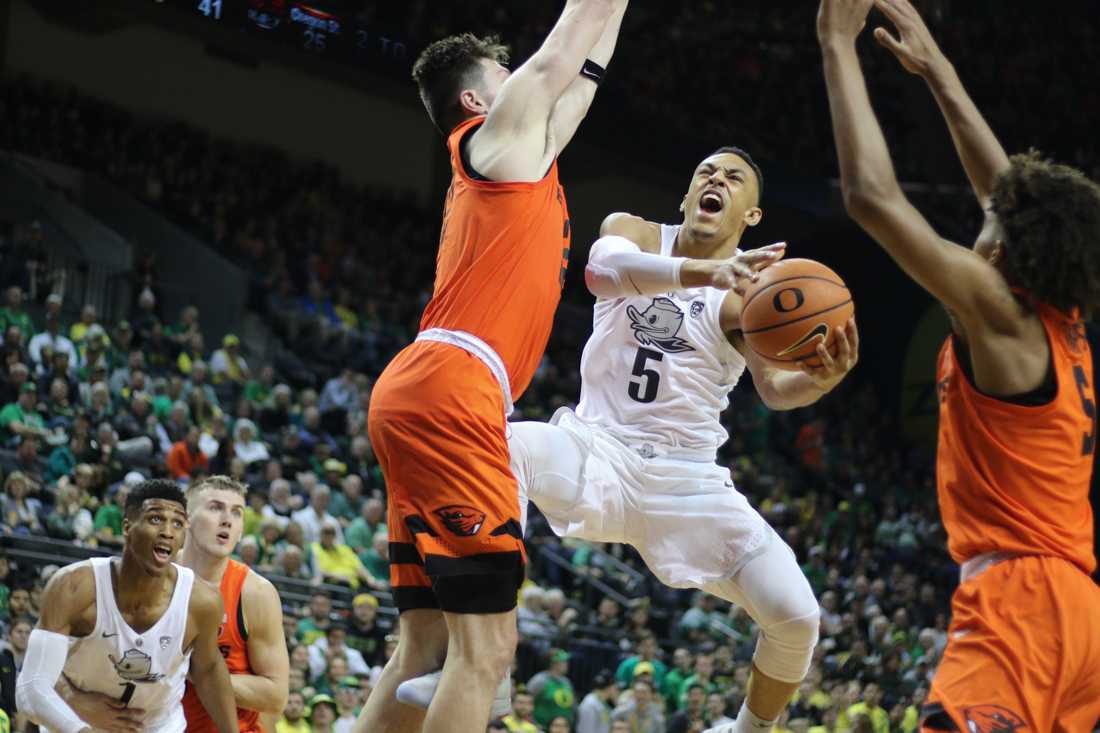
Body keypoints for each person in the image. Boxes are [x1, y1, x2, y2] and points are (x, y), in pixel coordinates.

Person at [499, 140, 853, 733]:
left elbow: (774, 390)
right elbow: (600, 272)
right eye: (705, 172)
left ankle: (747, 730)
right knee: (498, 447)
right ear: (689, 194)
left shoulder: (750, 294)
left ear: (751, 215)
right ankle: (486, 642)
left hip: (686, 481)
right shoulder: (634, 232)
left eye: (734, 178)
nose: (716, 179)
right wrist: (707, 272)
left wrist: (821, 380)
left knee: (796, 615)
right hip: (596, 449)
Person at [816, 0, 1100, 730]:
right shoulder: (1058, 316)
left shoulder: (997, 308)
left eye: (986, 226)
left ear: (1004, 252)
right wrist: (938, 70)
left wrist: (836, 45)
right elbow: (1004, 190)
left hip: (1020, 600)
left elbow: (871, 199)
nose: (980, 220)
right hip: (1077, 611)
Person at [357, 2, 630, 732]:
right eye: (506, 76)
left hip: (425, 386)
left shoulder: (525, 155)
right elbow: (562, 52)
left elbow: (584, 79)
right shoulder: (491, 140)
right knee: (488, 650)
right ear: (478, 99)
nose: (526, 81)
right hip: (455, 389)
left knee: (424, 644)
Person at [15, 479, 238, 732]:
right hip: (74, 723)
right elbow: (30, 688)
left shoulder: (201, 601)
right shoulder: (75, 586)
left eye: (178, 523)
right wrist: (76, 711)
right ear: (127, 527)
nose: (168, 531)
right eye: (156, 519)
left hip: (158, 725)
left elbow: (208, 669)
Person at [177, 475, 290, 732]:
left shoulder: (255, 592)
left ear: (240, 533)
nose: (227, 519)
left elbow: (275, 696)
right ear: (185, 519)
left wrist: (198, 672)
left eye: (237, 513)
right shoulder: (155, 576)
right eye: (215, 507)